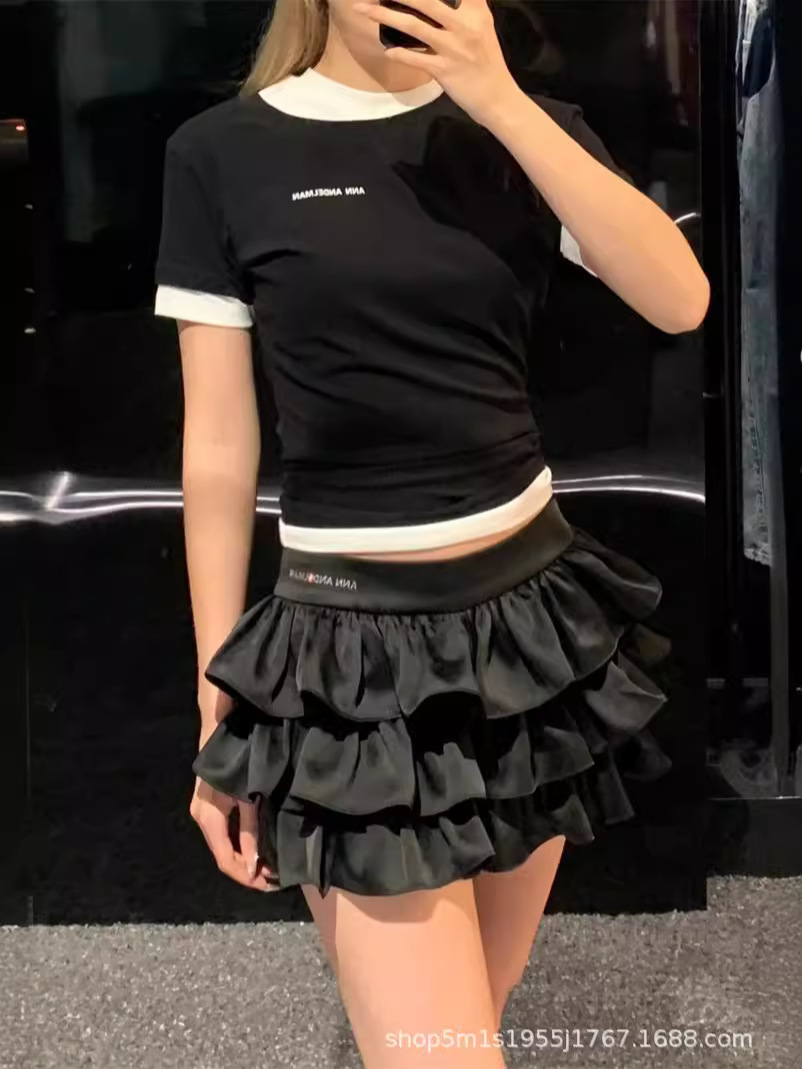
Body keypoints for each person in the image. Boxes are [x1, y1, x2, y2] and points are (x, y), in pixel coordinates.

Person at [153, 2, 710, 1065]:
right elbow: (217, 445)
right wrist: (216, 690)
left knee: (470, 1014)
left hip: (530, 640)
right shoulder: (222, 152)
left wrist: (501, 101)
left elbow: (679, 299)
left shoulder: (516, 127)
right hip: (350, 662)